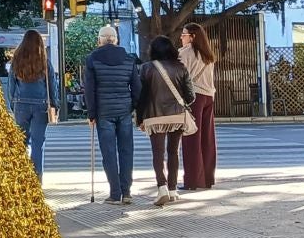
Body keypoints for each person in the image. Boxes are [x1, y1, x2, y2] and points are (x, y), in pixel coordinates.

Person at [83, 24, 143, 205]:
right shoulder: (128, 58)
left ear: (100, 40)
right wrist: (132, 106)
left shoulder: (92, 59)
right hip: (124, 110)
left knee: (108, 153)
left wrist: (91, 113)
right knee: (126, 151)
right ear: (116, 39)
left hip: (104, 111)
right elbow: (136, 87)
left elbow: (89, 89)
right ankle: (127, 192)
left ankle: (115, 193)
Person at [138, 34, 195, 205]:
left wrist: (139, 118)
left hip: (154, 116)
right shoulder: (180, 67)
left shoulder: (146, 68)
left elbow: (141, 96)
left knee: (157, 153)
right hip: (177, 115)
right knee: (173, 152)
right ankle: (173, 189)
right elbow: (190, 96)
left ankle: (161, 187)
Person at [4, 29, 53, 180]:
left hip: (21, 105)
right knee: (38, 143)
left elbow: (11, 86)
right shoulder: (44, 61)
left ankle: (21, 176)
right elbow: (52, 85)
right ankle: (36, 176)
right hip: (41, 105)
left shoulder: (16, 61)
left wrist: (13, 104)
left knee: (21, 142)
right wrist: (54, 104)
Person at [179, 22, 219, 190]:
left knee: (191, 138)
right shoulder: (208, 54)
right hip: (209, 96)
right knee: (207, 139)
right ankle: (208, 178)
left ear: (192, 37)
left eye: (184, 35)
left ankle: (193, 180)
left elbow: (181, 77)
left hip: (193, 97)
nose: (181, 38)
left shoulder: (186, 53)